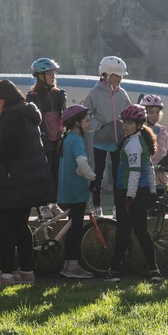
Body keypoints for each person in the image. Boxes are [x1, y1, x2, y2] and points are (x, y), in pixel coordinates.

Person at [0, 78, 54, 287]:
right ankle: (27, 271)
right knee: (21, 226)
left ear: (4, 98)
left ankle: (7, 275)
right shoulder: (25, 113)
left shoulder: (13, 116)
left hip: (12, 180)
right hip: (25, 180)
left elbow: (11, 148)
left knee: (5, 228)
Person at [110, 105, 163, 283]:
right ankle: (154, 270)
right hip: (143, 192)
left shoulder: (132, 143)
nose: (125, 126)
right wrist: (153, 191)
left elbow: (134, 172)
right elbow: (149, 169)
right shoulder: (141, 140)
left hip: (130, 191)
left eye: (130, 123)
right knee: (141, 231)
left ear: (139, 124)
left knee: (123, 232)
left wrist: (129, 197)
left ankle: (114, 272)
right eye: (124, 122)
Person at [81, 56, 133, 212]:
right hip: (101, 139)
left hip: (119, 140)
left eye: (121, 76)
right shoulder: (95, 92)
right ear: (107, 75)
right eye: (117, 75)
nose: (120, 79)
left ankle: (118, 206)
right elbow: (86, 114)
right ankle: (97, 205)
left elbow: (129, 112)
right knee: (98, 172)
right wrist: (100, 126)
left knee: (118, 173)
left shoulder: (122, 93)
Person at [56, 104, 97, 279]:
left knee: (72, 229)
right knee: (75, 231)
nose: (89, 124)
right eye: (87, 121)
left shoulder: (68, 138)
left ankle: (67, 265)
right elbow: (81, 163)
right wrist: (93, 178)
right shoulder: (76, 140)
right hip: (76, 191)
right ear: (77, 123)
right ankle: (73, 267)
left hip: (68, 189)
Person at [25, 57, 68, 167]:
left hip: (59, 141)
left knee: (58, 175)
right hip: (43, 141)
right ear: (40, 76)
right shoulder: (32, 97)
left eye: (54, 73)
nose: (53, 76)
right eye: (49, 73)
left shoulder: (59, 94)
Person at [138, 94, 168, 161]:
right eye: (151, 112)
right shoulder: (140, 132)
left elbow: (165, 151)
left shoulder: (163, 132)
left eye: (157, 112)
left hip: (160, 169)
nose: (155, 115)